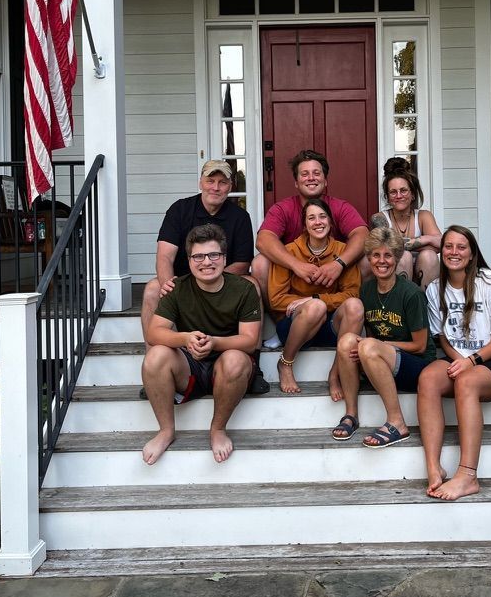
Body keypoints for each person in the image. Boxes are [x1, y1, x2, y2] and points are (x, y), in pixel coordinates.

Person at [418, 225, 491, 500]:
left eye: (461, 247)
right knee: (428, 378)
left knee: (466, 381)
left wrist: (472, 362)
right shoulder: (435, 290)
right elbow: (441, 336)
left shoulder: (490, 282)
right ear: (441, 251)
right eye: (448, 246)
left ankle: (468, 476)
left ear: (471, 255)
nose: (453, 252)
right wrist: (460, 359)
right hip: (467, 359)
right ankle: (434, 468)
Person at [140, 223, 261, 466]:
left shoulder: (243, 288)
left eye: (213, 254)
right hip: (189, 364)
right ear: (189, 259)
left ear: (224, 258)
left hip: (227, 367)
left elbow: (250, 341)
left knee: (236, 358)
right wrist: (184, 338)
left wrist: (215, 342)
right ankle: (166, 430)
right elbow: (154, 333)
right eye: (198, 256)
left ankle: (217, 429)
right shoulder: (178, 289)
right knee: (156, 355)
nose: (206, 262)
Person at [333, 226, 435, 447]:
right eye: (376, 255)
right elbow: (371, 335)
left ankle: (397, 422)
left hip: (417, 366)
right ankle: (351, 414)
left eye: (388, 255)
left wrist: (380, 345)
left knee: (368, 345)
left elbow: (420, 346)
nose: (382, 261)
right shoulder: (367, 291)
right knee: (346, 341)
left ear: (397, 258)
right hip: (383, 359)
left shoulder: (412, 294)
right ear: (369, 258)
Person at [141, 159, 254, 342]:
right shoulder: (179, 210)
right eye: (210, 181)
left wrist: (211, 278)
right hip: (184, 281)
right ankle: (155, 357)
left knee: (253, 285)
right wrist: (167, 283)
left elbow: (242, 263)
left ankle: (252, 358)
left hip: (223, 280)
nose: (215, 187)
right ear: (200, 183)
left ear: (230, 187)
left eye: (222, 182)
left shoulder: (240, 216)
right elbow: (164, 256)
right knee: (153, 288)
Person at [268, 198, 362, 397]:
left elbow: (352, 293)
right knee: (315, 308)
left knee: (354, 306)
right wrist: (309, 304)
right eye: (311, 218)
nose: (318, 222)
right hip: (295, 327)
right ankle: (285, 363)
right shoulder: (290, 251)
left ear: (330, 222)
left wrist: (316, 298)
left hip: (331, 327)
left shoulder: (342, 251)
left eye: (322, 217)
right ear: (304, 225)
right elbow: (276, 299)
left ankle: (336, 374)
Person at [253, 147, 368, 305]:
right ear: (296, 182)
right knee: (259, 264)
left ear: (325, 180)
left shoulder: (340, 207)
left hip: (335, 284)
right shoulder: (283, 208)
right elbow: (263, 240)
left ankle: (365, 316)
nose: (311, 178)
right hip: (294, 284)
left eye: (316, 173)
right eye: (305, 174)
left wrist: (339, 263)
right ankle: (278, 320)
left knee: (368, 260)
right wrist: (296, 265)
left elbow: (362, 234)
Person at [370, 157, 441, 288]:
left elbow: (441, 244)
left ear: (412, 194)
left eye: (403, 190)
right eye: (393, 192)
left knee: (429, 256)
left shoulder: (424, 216)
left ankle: (426, 305)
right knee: (404, 256)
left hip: (423, 273)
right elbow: (387, 249)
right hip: (390, 274)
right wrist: (427, 240)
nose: (398, 196)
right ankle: (400, 306)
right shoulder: (379, 218)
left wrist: (413, 242)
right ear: (387, 197)